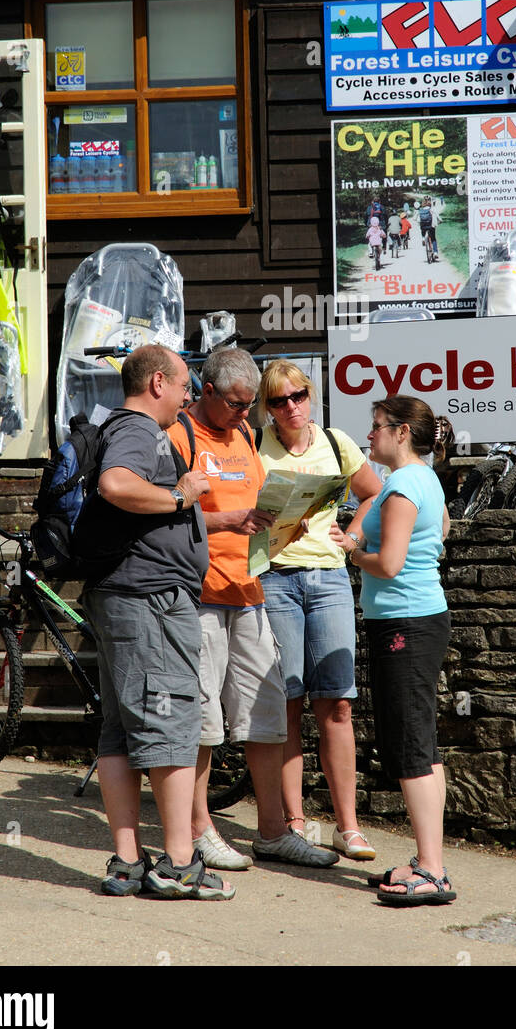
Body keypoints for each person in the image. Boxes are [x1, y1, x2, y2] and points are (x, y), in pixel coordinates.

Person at [168, 348, 340, 869]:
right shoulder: (178, 437)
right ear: (208, 393)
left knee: (266, 716)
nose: (248, 414)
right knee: (201, 720)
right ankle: (198, 830)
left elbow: (257, 511)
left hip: (251, 589)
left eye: (251, 405)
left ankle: (271, 831)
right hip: (200, 594)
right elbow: (165, 514)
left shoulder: (243, 435)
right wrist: (228, 521)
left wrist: (289, 522)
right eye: (239, 404)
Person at [80, 343, 235, 901]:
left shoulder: (119, 427)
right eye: (185, 386)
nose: (189, 397)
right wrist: (179, 494)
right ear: (157, 384)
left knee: (121, 727)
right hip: (150, 600)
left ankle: (126, 862)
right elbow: (116, 485)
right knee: (170, 724)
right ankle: (177, 863)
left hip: (126, 595)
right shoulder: (140, 432)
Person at [331, 394, 454, 905]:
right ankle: (429, 861)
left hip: (405, 623)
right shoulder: (424, 478)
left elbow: (390, 564)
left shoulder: (402, 484)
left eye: (378, 426)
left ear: (402, 432)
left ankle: (432, 872)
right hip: (418, 619)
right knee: (419, 741)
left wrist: (351, 549)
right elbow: (442, 532)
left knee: (409, 745)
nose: (371, 434)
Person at [256, 360, 382, 859]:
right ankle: (294, 821)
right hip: (273, 576)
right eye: (279, 401)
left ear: (310, 395)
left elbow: (374, 492)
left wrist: (351, 536)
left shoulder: (336, 441)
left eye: (298, 396)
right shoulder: (254, 444)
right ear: (267, 408)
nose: (291, 407)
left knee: (337, 703)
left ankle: (347, 826)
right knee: (286, 705)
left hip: (328, 578)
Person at [419, 196, 438, 262]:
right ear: (430, 202)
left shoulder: (421, 210)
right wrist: (440, 221)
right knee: (433, 239)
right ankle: (435, 252)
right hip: (431, 226)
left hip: (424, 226)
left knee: (422, 228)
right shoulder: (431, 209)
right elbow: (437, 216)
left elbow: (416, 219)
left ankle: (423, 238)